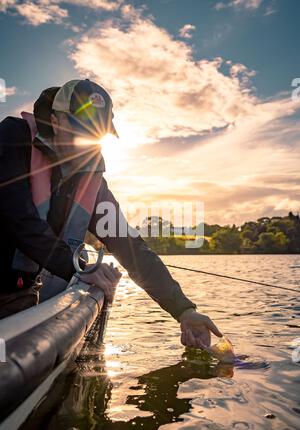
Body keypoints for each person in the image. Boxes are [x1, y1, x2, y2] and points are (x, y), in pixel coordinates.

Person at [0, 78, 222, 349]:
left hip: (18, 293)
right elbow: (18, 219)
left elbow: (130, 246)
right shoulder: (12, 137)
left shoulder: (92, 182)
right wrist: (79, 267)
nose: (88, 143)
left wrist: (184, 310)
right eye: (81, 130)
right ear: (57, 122)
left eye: (97, 133)